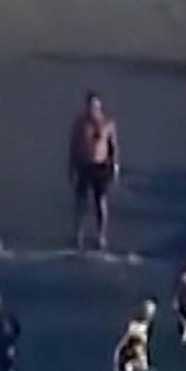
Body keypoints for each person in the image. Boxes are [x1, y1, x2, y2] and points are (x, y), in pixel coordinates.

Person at [69, 92, 119, 252]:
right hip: (84, 164)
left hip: (101, 165)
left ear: (100, 106)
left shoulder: (107, 123)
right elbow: (74, 144)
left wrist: (115, 165)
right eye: (90, 105)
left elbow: (113, 145)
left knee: (100, 201)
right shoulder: (80, 123)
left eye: (95, 105)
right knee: (81, 202)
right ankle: (78, 234)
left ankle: (101, 235)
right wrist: (71, 166)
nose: (93, 109)